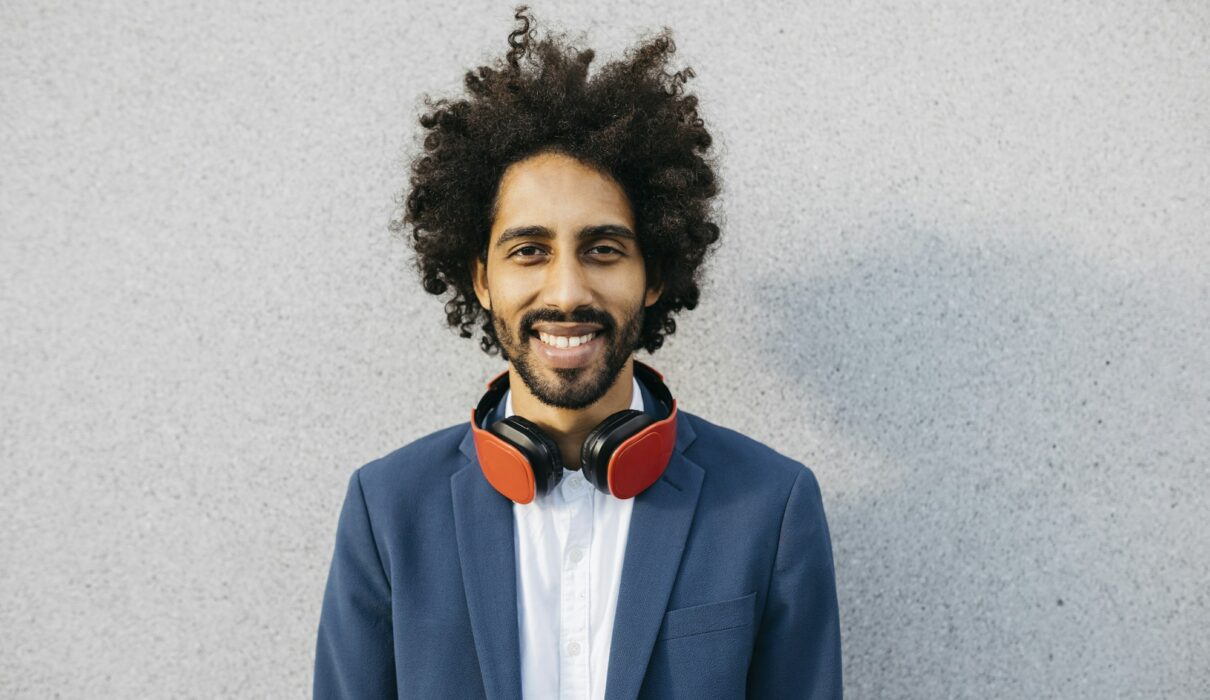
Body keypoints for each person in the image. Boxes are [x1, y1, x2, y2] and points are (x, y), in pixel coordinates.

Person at [314, 7, 842, 699]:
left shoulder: (771, 505)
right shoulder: (387, 510)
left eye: (603, 250)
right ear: (481, 277)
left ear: (654, 275)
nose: (566, 290)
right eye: (529, 251)